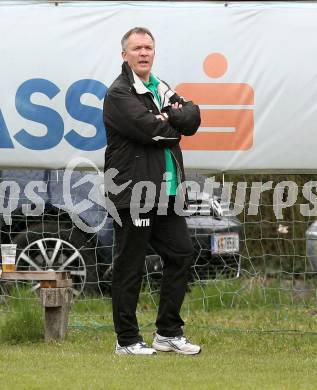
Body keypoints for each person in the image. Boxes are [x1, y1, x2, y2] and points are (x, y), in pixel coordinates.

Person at [103, 27, 201, 355]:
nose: (144, 53)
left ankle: (168, 333)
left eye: (148, 47)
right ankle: (126, 340)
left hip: (167, 193)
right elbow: (153, 132)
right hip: (134, 193)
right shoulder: (119, 93)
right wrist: (168, 123)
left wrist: (167, 117)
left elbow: (192, 117)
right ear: (125, 55)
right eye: (137, 48)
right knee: (130, 265)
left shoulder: (160, 87)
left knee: (182, 254)